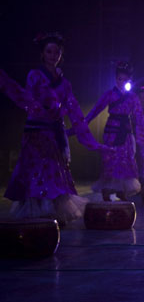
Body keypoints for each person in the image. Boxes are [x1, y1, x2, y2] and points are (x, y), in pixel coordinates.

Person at [1, 33, 108, 224]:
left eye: (57, 52)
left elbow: (73, 109)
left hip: (54, 132)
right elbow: (27, 98)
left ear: (61, 55)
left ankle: (53, 211)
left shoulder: (65, 83)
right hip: (36, 130)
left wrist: (85, 135)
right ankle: (38, 211)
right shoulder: (35, 75)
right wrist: (42, 110)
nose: (53, 55)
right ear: (42, 54)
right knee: (37, 170)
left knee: (54, 171)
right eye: (49, 51)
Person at [86, 62, 144, 201]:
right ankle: (106, 189)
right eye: (119, 79)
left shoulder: (133, 97)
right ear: (116, 79)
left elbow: (139, 117)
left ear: (130, 81)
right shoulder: (109, 94)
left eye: (125, 80)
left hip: (126, 131)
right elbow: (95, 110)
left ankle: (122, 190)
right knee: (110, 158)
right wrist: (83, 124)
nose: (122, 82)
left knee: (125, 159)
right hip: (112, 130)